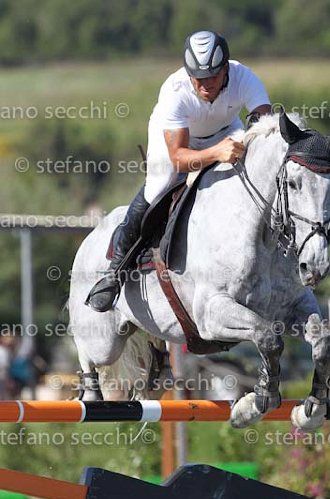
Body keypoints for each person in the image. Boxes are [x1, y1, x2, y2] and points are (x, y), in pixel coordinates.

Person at [89, 30, 271, 312]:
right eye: (198, 78)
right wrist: (217, 153)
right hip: (176, 142)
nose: (205, 85)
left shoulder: (244, 77)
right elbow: (179, 158)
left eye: (212, 76)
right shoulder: (174, 91)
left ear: (226, 68)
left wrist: (252, 139)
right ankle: (115, 271)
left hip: (226, 131)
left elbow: (264, 123)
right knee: (158, 187)